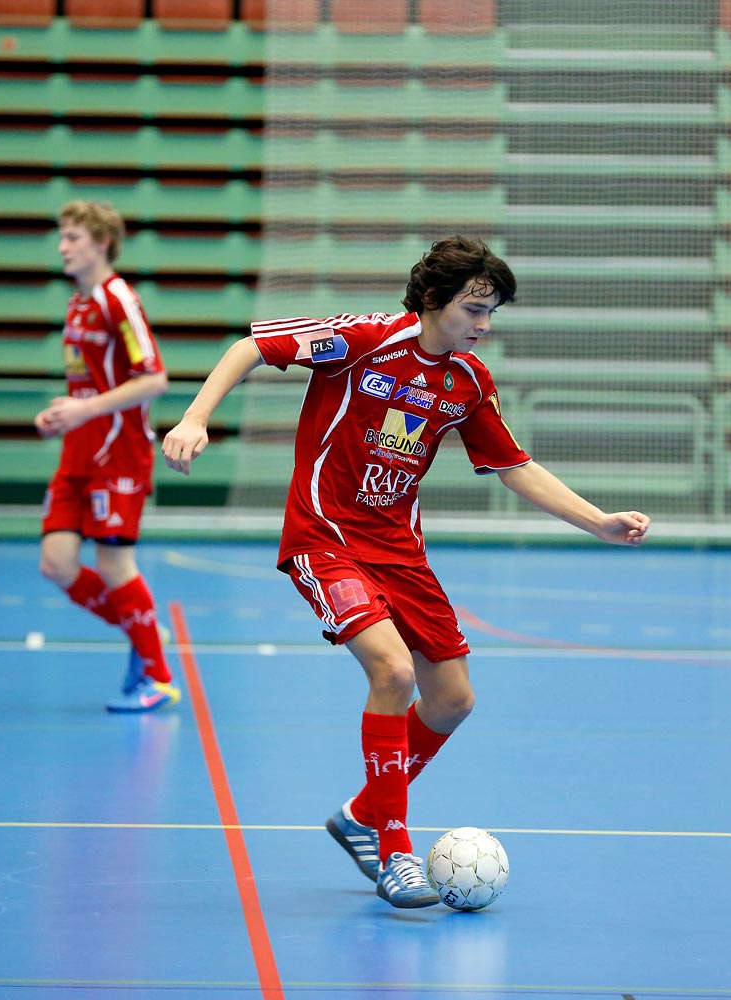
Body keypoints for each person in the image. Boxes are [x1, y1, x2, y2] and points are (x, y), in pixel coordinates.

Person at [161, 236, 650, 906]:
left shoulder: (469, 382)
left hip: (400, 550)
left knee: (452, 700)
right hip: (325, 536)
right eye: (474, 309)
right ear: (432, 300)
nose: (484, 325)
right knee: (390, 671)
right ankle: (394, 848)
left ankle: (361, 814)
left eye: (492, 313)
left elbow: (513, 466)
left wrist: (598, 521)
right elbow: (251, 347)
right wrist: (195, 418)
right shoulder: (361, 340)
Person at [35, 199, 180, 713]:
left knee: (115, 562)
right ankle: (145, 633)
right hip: (79, 451)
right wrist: (62, 416)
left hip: (118, 453)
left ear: (101, 243)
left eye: (71, 238)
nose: (62, 247)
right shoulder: (78, 305)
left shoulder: (121, 301)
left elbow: (155, 379)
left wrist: (87, 409)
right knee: (56, 563)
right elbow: (86, 385)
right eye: (62, 237)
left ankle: (158, 677)